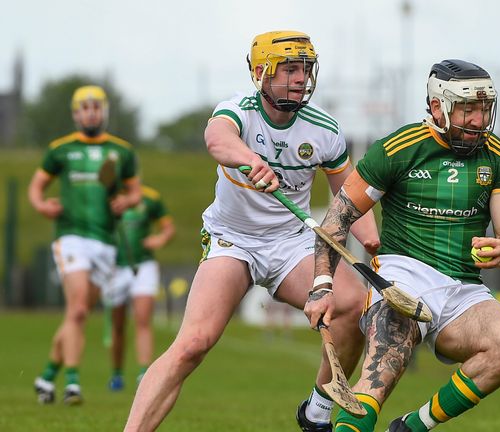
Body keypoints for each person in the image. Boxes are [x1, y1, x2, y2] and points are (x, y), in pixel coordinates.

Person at [123, 30, 379, 432]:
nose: (300, 78)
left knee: (354, 305)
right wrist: (249, 160)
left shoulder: (325, 130)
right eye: (290, 69)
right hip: (233, 240)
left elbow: (350, 197)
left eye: (305, 69)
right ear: (262, 73)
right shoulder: (238, 111)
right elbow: (216, 138)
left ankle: (317, 410)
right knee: (193, 344)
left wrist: (374, 245)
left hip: (291, 244)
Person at [308, 59, 500, 432]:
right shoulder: (397, 149)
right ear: (438, 106)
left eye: (484, 109)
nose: (478, 120)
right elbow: (337, 221)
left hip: (464, 290)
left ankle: (414, 426)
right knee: (380, 375)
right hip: (401, 281)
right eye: (467, 109)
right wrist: (322, 286)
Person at [29, 85, 142, 405]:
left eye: (96, 107)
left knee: (77, 315)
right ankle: (73, 383)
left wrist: (126, 201)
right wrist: (41, 205)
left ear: (104, 111)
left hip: (105, 242)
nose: (91, 112)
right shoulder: (60, 150)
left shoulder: (122, 151)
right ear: (75, 113)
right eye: (85, 108)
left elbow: (134, 192)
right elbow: (37, 187)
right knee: (77, 308)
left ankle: (48, 376)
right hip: (71, 236)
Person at [102, 185, 176, 391]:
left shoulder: (149, 198)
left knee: (143, 319)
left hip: (143, 265)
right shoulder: (107, 197)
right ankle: (116, 374)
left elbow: (168, 227)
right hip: (115, 268)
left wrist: (159, 239)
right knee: (118, 325)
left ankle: (144, 372)